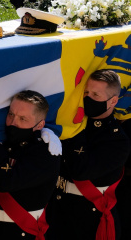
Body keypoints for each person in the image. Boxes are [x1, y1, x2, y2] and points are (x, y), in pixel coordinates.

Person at [46, 69, 130, 240]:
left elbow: (81, 170)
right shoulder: (74, 124)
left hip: (88, 219)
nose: (88, 98)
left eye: (95, 95)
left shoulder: (117, 140)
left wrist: (75, 131)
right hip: (58, 212)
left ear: (113, 101)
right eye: (86, 92)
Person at [0, 90, 61, 240]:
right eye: (11, 114)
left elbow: (5, 182)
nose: (13, 123)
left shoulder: (45, 151)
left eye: (23, 119)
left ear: (39, 125)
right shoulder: (4, 139)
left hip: (18, 232)